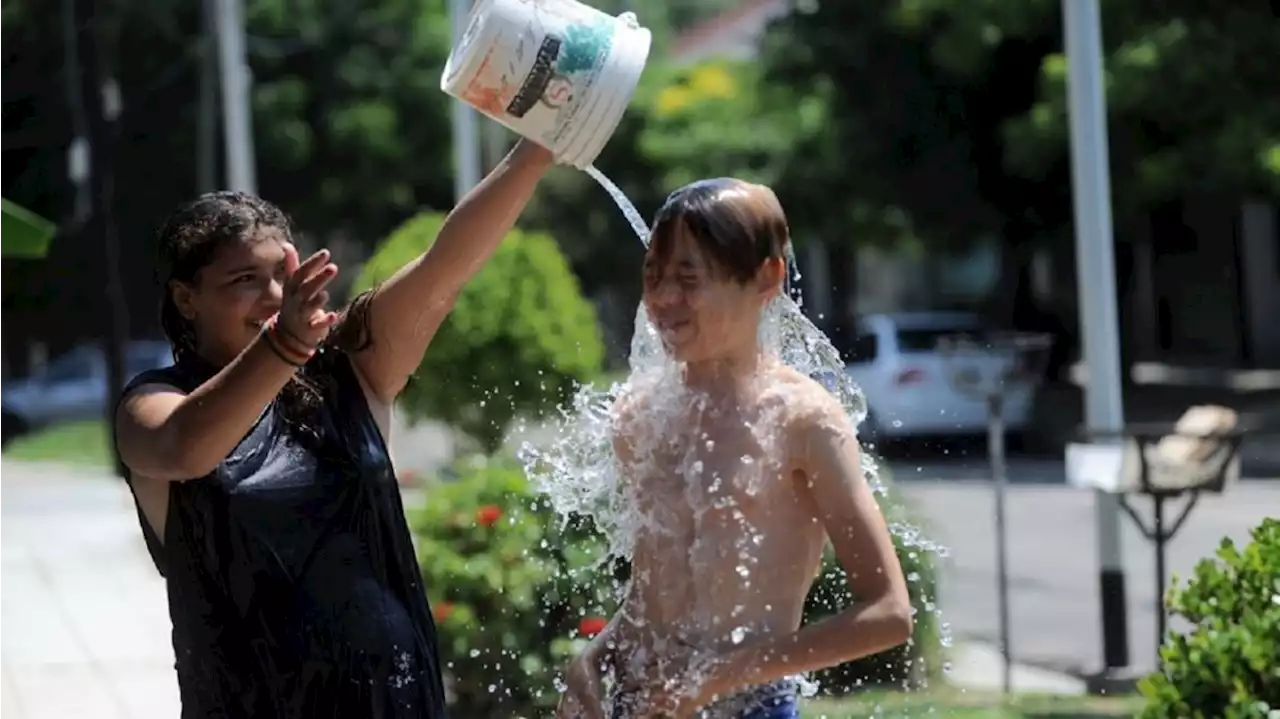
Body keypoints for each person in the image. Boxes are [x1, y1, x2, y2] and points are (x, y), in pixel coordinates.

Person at [114, 139, 554, 718]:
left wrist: (537, 152)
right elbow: (185, 449)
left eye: (281, 274)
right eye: (244, 279)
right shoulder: (153, 405)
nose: (273, 297)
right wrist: (286, 343)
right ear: (186, 298)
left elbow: (444, 268)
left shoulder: (347, 369)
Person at [557, 178, 914, 719]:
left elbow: (889, 613)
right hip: (639, 704)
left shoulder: (803, 420)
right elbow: (661, 593)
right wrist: (599, 654)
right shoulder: (641, 413)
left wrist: (716, 678)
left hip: (748, 707)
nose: (663, 300)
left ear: (766, 279)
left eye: (688, 279)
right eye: (653, 277)